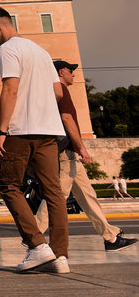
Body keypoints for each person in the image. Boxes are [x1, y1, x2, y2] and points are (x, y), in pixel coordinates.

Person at [0, 7, 69, 274]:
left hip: (20, 131)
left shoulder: (8, 49)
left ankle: (37, 246)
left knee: (9, 185)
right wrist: (40, 105)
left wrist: (1, 130)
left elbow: (10, 88)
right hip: (48, 131)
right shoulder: (41, 51)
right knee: (54, 192)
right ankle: (61, 256)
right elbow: (57, 92)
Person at [35, 61, 137, 252]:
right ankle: (33, 236)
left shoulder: (54, 92)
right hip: (66, 153)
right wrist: (81, 147)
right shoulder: (61, 91)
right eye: (70, 71)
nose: (73, 74)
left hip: (68, 154)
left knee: (88, 196)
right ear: (60, 72)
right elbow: (67, 119)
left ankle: (110, 237)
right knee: (56, 197)